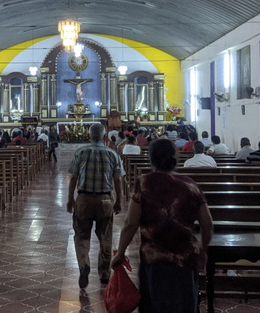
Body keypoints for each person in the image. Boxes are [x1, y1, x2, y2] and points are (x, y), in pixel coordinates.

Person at [111, 138, 213, 313]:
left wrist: (120, 252)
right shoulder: (190, 185)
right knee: (184, 305)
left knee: (154, 305)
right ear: (175, 157)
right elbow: (207, 223)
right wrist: (203, 249)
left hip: (154, 259)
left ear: (151, 158)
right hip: (185, 257)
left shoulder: (144, 183)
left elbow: (131, 223)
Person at [67, 123, 125, 288]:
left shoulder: (81, 152)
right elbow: (118, 179)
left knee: (81, 235)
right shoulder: (112, 154)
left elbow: (73, 177)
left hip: (84, 199)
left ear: (89, 135)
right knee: (105, 237)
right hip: (104, 200)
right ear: (104, 136)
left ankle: (84, 264)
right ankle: (104, 274)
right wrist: (119, 200)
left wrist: (70, 198)